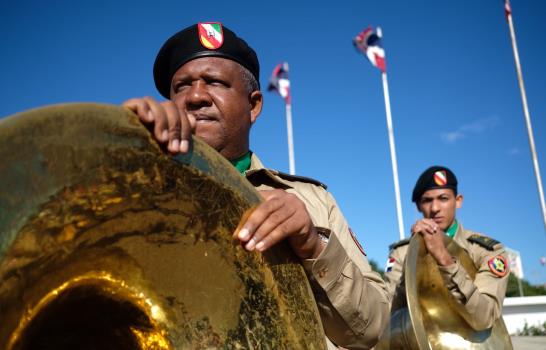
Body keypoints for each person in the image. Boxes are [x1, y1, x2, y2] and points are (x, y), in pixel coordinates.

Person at [123, 22, 389, 349]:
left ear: (254, 105)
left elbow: (374, 329)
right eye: (181, 87)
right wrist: (125, 155)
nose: (195, 96)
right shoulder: (140, 182)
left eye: (214, 82)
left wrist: (312, 245)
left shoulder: (314, 200)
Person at [384, 166, 509, 330]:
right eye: (427, 200)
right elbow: (388, 313)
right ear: (418, 207)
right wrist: (413, 259)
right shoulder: (401, 252)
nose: (435, 208)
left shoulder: (487, 251)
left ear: (458, 201)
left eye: (443, 198)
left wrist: (444, 259)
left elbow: (484, 318)